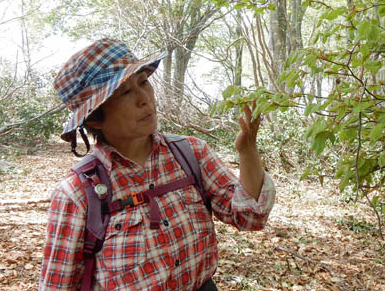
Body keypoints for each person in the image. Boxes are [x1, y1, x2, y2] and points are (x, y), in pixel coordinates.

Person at [39, 38, 275, 291]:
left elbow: (250, 217)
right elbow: (58, 284)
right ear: (95, 118)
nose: (144, 99)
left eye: (143, 82)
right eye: (125, 92)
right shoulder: (78, 193)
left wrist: (247, 151)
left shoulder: (190, 153)